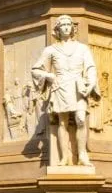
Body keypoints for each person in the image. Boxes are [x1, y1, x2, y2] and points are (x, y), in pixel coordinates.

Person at [31, 15, 99, 168]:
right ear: (58, 29)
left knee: (81, 119)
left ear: (73, 28)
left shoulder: (82, 48)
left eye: (69, 24)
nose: (67, 27)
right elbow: (36, 69)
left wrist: (91, 82)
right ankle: (64, 157)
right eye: (63, 25)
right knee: (62, 122)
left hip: (78, 86)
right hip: (60, 86)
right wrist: (48, 75)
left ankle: (82, 155)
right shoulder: (50, 50)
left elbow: (90, 67)